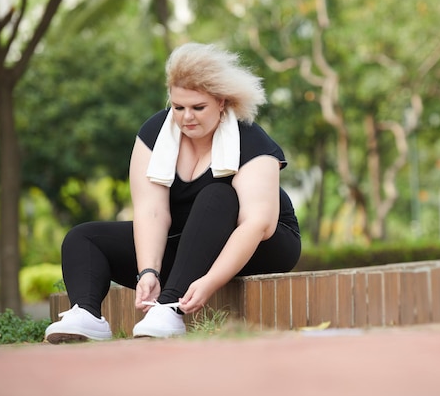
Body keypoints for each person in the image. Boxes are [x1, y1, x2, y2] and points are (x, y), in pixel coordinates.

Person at [44, 42, 301, 343]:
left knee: (217, 194)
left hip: (262, 244)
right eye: (179, 107)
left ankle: (168, 306)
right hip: (187, 246)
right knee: (84, 237)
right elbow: (151, 212)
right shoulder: (155, 134)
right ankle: (86, 315)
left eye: (198, 107)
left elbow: (258, 224)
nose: (186, 117)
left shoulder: (252, 140)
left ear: (221, 102)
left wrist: (208, 283)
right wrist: (148, 271)